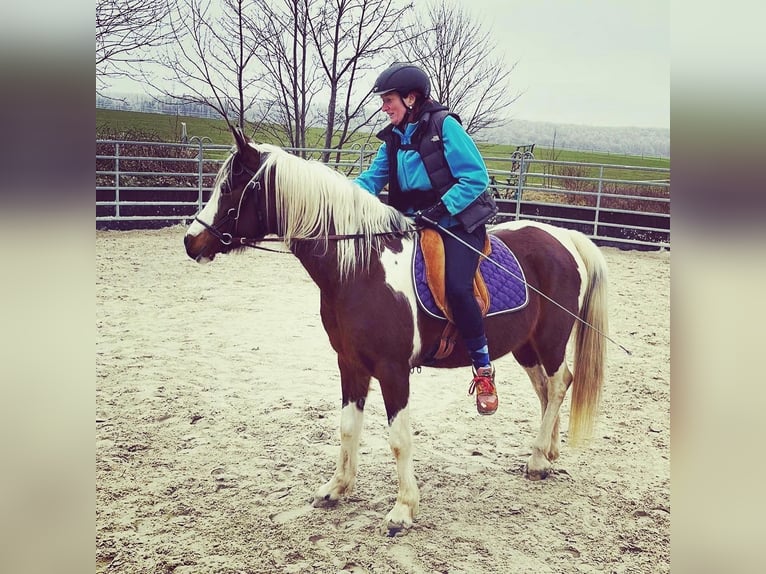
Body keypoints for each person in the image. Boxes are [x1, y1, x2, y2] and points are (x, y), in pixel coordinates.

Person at [354, 62, 499, 415]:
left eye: (388, 100)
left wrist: (440, 209)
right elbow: (372, 179)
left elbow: (476, 178)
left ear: (411, 98)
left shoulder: (444, 125)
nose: (384, 107)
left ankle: (483, 369)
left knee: (457, 287)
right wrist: (338, 196)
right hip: (412, 222)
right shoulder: (392, 136)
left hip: (457, 220)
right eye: (383, 101)